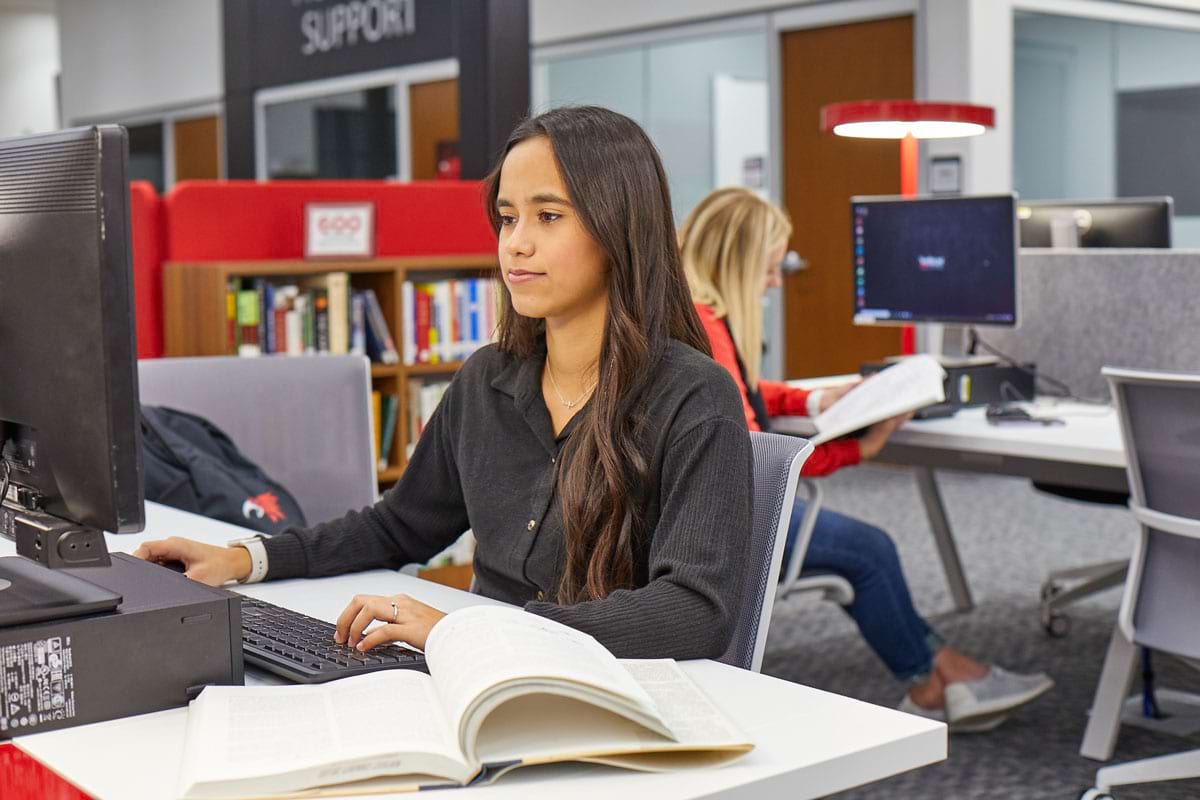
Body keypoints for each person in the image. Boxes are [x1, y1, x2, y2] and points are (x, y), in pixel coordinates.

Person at [133, 106, 755, 662]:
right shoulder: (488, 378)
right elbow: (398, 527)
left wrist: (475, 630)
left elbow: (694, 611)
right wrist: (246, 559)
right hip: (482, 674)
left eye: (549, 216)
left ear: (620, 229)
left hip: (609, 694)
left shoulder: (694, 397)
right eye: (507, 218)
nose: (517, 243)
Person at [679, 187, 1053, 731]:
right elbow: (760, 465)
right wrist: (861, 448)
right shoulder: (706, 331)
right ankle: (932, 683)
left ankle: (944, 673)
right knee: (870, 551)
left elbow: (744, 392)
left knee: (858, 555)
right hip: (733, 520)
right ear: (736, 261)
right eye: (769, 267)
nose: (777, 281)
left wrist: (812, 399)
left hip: (700, 508)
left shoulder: (690, 316)